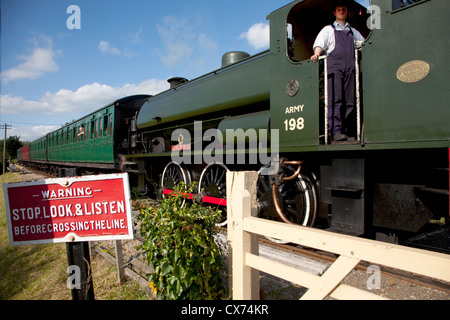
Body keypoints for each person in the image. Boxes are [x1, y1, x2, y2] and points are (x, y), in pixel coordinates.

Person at [311, 0, 365, 143]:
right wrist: (316, 54)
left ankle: (348, 131)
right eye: (339, 9)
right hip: (335, 68)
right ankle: (335, 132)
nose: (341, 11)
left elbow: (364, 43)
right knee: (336, 100)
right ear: (334, 13)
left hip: (350, 68)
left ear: (346, 12)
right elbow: (319, 43)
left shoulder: (353, 32)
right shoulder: (328, 30)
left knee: (350, 100)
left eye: (344, 9)